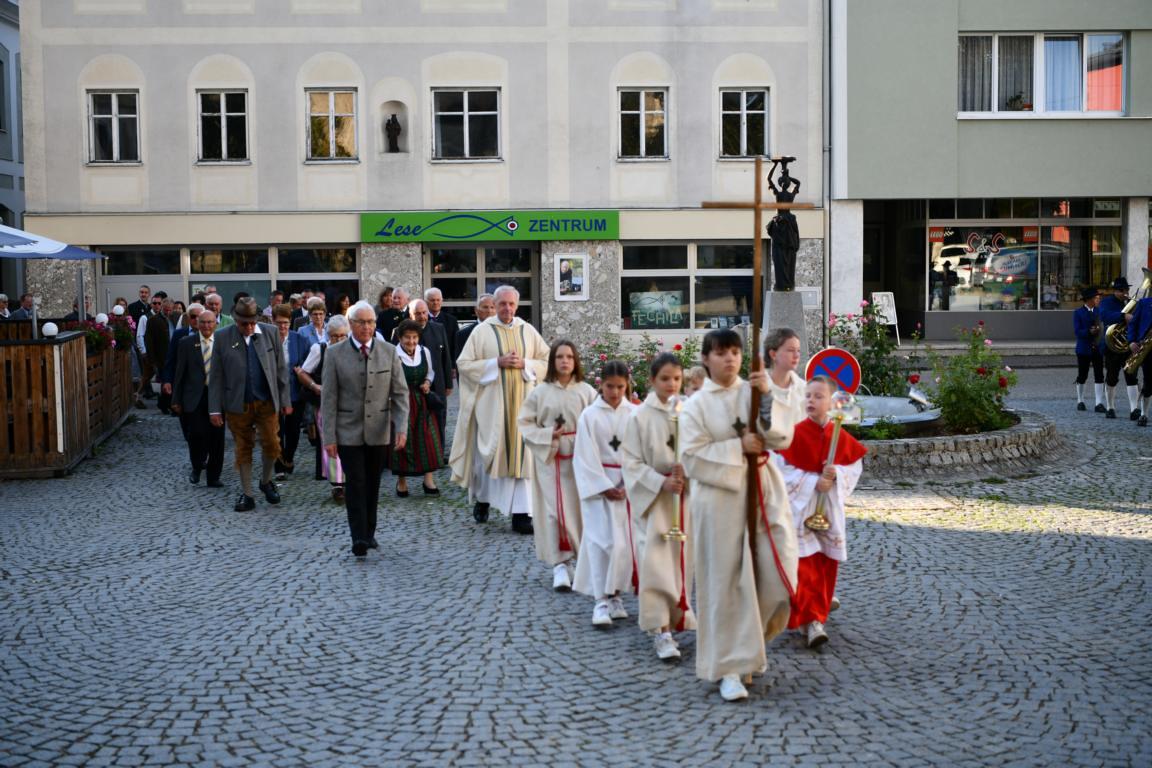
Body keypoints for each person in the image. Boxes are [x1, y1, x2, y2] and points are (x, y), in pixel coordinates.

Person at [679, 328, 797, 702]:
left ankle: (751, 645)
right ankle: (729, 667)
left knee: (776, 575)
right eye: (720, 353)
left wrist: (767, 399)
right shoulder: (696, 405)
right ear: (705, 358)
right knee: (727, 583)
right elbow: (691, 457)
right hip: (719, 499)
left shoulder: (752, 390)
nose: (730, 358)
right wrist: (736, 447)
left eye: (735, 352)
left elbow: (779, 436)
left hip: (762, 487)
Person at [775, 377, 867, 649]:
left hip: (828, 508)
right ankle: (811, 620)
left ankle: (817, 615)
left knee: (826, 564)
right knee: (804, 566)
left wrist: (836, 474)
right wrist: (812, 481)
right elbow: (781, 469)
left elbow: (854, 466)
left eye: (818, 396)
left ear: (832, 403)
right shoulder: (794, 434)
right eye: (808, 396)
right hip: (802, 508)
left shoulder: (840, 435)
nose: (811, 401)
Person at [450, 285, 550, 534]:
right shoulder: (482, 331)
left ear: (517, 305)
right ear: (494, 306)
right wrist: (496, 363)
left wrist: (525, 363)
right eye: (502, 304)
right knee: (491, 454)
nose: (507, 308)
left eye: (511, 304)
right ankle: (484, 499)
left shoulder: (527, 330)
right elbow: (464, 364)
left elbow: (547, 361)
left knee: (523, 457)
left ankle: (521, 515)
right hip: (492, 408)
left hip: (524, 408)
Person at [621, 353, 696, 660]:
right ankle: (660, 630)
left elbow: (697, 451)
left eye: (677, 379)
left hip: (682, 498)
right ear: (652, 380)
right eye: (665, 379)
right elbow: (630, 462)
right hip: (654, 502)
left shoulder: (688, 413)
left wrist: (687, 472)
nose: (671, 384)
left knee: (680, 565)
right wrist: (659, 481)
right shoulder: (639, 417)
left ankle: (680, 616)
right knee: (655, 566)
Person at [321, 301, 409, 558]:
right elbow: (329, 398)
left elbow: (400, 393)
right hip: (347, 430)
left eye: (371, 322)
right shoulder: (334, 354)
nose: (367, 327)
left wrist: (401, 428)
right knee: (356, 482)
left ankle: (370, 532)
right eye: (361, 322)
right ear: (351, 324)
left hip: (379, 430)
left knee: (372, 483)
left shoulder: (388, 351)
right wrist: (329, 436)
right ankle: (358, 536)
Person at [517, 340, 597, 592]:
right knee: (553, 511)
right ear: (552, 361)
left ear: (576, 361)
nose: (565, 361)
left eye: (569, 357)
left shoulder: (587, 392)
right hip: (550, 458)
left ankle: (581, 560)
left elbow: (599, 422)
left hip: (579, 460)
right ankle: (560, 564)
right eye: (560, 357)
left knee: (578, 510)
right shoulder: (539, 392)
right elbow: (525, 423)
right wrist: (548, 435)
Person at [208, 297, 292, 512]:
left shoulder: (270, 333)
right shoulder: (222, 337)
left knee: (272, 444)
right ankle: (247, 494)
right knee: (243, 448)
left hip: (266, 401)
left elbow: (281, 370)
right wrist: (215, 409)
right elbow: (216, 376)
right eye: (244, 323)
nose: (248, 327)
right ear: (236, 320)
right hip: (238, 403)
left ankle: (266, 481)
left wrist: (285, 400)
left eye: (252, 323)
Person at [571, 360, 638, 627]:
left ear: (627, 385)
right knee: (600, 543)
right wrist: (603, 486)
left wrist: (628, 483)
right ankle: (599, 600)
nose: (615, 392)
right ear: (601, 385)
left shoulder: (634, 414)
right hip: (599, 488)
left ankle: (615, 595)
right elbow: (583, 456)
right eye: (610, 386)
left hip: (626, 486)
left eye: (620, 387)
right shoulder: (589, 416)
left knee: (622, 545)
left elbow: (640, 452)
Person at [296, 315, 349, 500]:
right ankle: (337, 484)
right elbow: (303, 373)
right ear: (328, 335)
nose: (339, 340)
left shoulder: (354, 350)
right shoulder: (319, 349)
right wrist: (314, 386)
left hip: (349, 404)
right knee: (330, 440)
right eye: (335, 336)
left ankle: (350, 478)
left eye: (342, 336)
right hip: (326, 404)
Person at [171, 309, 226, 488]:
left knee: (217, 438)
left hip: (217, 397)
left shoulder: (223, 342)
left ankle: (213, 476)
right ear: (196, 324)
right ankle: (197, 466)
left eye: (210, 322)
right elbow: (179, 372)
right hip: (194, 397)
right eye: (203, 322)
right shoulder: (186, 343)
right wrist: (176, 399)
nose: (206, 325)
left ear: (216, 323)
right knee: (196, 435)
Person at [388, 319, 443, 497]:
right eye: (407, 337)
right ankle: (401, 482)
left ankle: (428, 480)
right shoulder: (392, 354)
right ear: (400, 338)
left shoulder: (424, 351)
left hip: (421, 401)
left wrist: (427, 382)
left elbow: (430, 372)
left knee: (427, 438)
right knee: (403, 440)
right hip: (401, 401)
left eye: (414, 337)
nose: (411, 341)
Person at [272, 304, 312, 479]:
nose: (283, 326)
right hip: (273, 393)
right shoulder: (267, 339)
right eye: (279, 323)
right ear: (273, 322)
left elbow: (308, 363)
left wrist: (301, 370)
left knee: (293, 430)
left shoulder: (299, 340)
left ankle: (288, 457)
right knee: (276, 431)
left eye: (286, 323)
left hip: (295, 391)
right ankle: (279, 466)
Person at [405, 299, 452, 447]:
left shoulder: (439, 328)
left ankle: (440, 452)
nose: (422, 316)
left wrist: (448, 384)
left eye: (424, 312)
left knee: (440, 420)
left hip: (438, 385)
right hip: (413, 388)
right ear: (410, 315)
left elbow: (446, 358)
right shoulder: (401, 332)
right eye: (417, 313)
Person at [1100, 277, 1141, 420]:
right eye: (1122, 291)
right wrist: (1123, 316)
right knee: (1111, 377)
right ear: (1115, 291)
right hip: (1112, 346)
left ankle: (1134, 409)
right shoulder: (1106, 302)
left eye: (1126, 290)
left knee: (1132, 377)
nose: (1125, 293)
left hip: (1129, 346)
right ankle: (1110, 407)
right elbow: (1105, 316)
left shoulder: (1131, 303)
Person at [764, 328, 807, 427]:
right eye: (790, 350)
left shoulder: (804, 389)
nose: (796, 355)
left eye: (798, 351)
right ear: (773, 354)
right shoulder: (755, 389)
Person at [1073, 286, 1105, 413]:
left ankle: (1099, 403)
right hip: (1084, 348)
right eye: (1096, 298)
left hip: (1098, 348)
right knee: (1082, 375)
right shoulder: (1078, 312)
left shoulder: (1100, 311)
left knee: (1099, 375)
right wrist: (1088, 331)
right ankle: (1080, 400)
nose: (1098, 299)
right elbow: (1077, 331)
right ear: (1089, 299)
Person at [145, 296, 176, 414]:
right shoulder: (153, 320)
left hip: (174, 355)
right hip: (161, 357)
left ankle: (167, 404)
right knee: (165, 380)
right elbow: (149, 341)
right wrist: (152, 360)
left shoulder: (175, 318)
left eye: (170, 310)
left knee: (172, 381)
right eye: (165, 310)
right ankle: (165, 404)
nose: (168, 312)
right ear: (162, 307)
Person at [1127, 289, 1152, 427]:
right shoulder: (1144, 303)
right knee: (1149, 381)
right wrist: (1131, 341)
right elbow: (1133, 323)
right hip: (1147, 347)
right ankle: (1144, 414)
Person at [425, 287, 460, 368]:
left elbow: (456, 345)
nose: (435, 303)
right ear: (426, 302)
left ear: (442, 301)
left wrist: (453, 366)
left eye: (438, 300)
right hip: (426, 363)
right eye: (432, 300)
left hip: (446, 364)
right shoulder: (421, 320)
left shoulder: (451, 320)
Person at [455, 293, 495, 362]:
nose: (489, 311)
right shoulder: (463, 334)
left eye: (492, 307)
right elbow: (460, 363)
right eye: (485, 307)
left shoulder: (502, 331)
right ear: (476, 310)